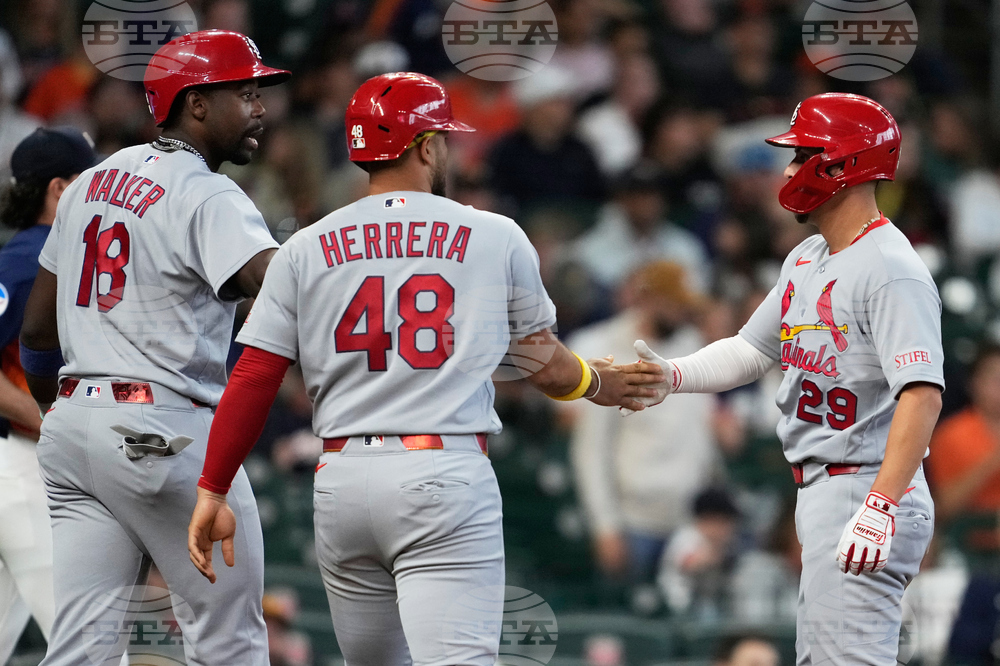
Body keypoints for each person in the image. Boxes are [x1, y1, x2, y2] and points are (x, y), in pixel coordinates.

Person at [186, 71, 665, 666]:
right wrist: (599, 383)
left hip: (342, 477)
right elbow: (542, 364)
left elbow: (254, 377)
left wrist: (211, 487)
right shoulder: (493, 235)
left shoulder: (305, 245)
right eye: (443, 137)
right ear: (426, 146)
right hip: (442, 470)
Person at [632, 93, 943, 665]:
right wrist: (673, 374)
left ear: (842, 164)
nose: (789, 171)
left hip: (865, 482)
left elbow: (921, 394)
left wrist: (879, 506)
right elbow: (750, 349)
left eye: (802, 156)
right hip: (829, 485)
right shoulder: (808, 256)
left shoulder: (891, 268)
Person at [18, 30, 289, 665]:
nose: (260, 107)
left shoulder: (91, 182)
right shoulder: (208, 192)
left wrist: (63, 414)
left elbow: (36, 332)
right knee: (229, 641)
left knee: (81, 647)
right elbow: (277, 288)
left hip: (76, 431)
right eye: (243, 92)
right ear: (194, 104)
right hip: (162, 430)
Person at [0, 127, 95, 664]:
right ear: (60, 191)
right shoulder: (30, 261)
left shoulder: (35, 256)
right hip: (20, 469)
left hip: (24, 468)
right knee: (86, 642)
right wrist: (48, 418)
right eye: (88, 180)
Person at [566, 261, 718, 582]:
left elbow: (699, 431)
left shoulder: (690, 343)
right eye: (677, 305)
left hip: (687, 521)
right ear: (651, 300)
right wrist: (605, 526)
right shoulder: (610, 350)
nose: (683, 313)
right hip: (633, 523)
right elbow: (591, 451)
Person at [926, 343, 1000, 663]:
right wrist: (992, 460)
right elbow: (944, 507)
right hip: (969, 561)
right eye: (993, 377)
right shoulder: (951, 434)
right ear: (974, 383)